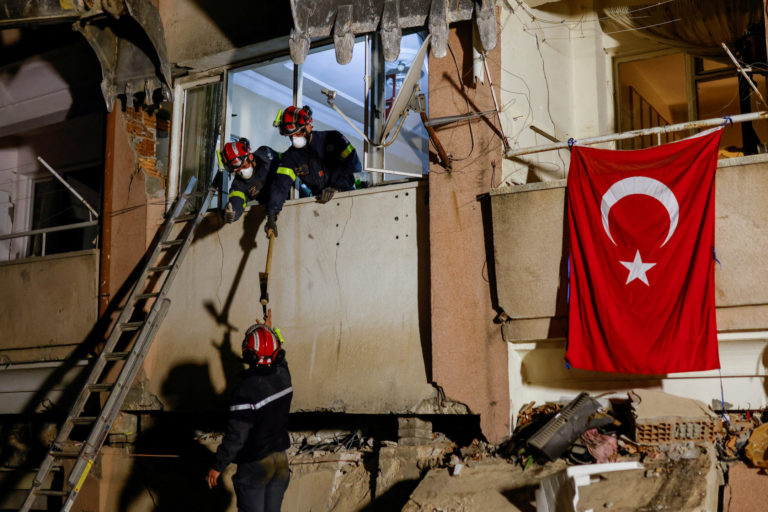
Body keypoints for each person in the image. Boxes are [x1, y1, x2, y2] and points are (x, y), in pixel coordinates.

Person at [206, 310, 292, 512]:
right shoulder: (284, 377)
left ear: (248, 355)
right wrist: (272, 332)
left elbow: (237, 436)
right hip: (280, 462)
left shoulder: (245, 390)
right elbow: (281, 359)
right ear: (277, 352)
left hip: (255, 465)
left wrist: (218, 466)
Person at [264, 105, 362, 237]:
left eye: (297, 133)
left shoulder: (334, 139)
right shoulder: (290, 158)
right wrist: (271, 215)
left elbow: (354, 166)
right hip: (320, 207)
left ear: (308, 127)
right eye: (291, 136)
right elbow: (280, 185)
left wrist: (336, 187)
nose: (294, 139)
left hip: (348, 200)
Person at [220, 137, 280, 223]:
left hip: (292, 195)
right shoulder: (239, 185)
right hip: (271, 210)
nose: (241, 171)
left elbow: (287, 164)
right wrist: (232, 213)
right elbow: (237, 201)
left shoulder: (266, 156)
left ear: (250, 157)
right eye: (236, 170)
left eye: (243, 166)